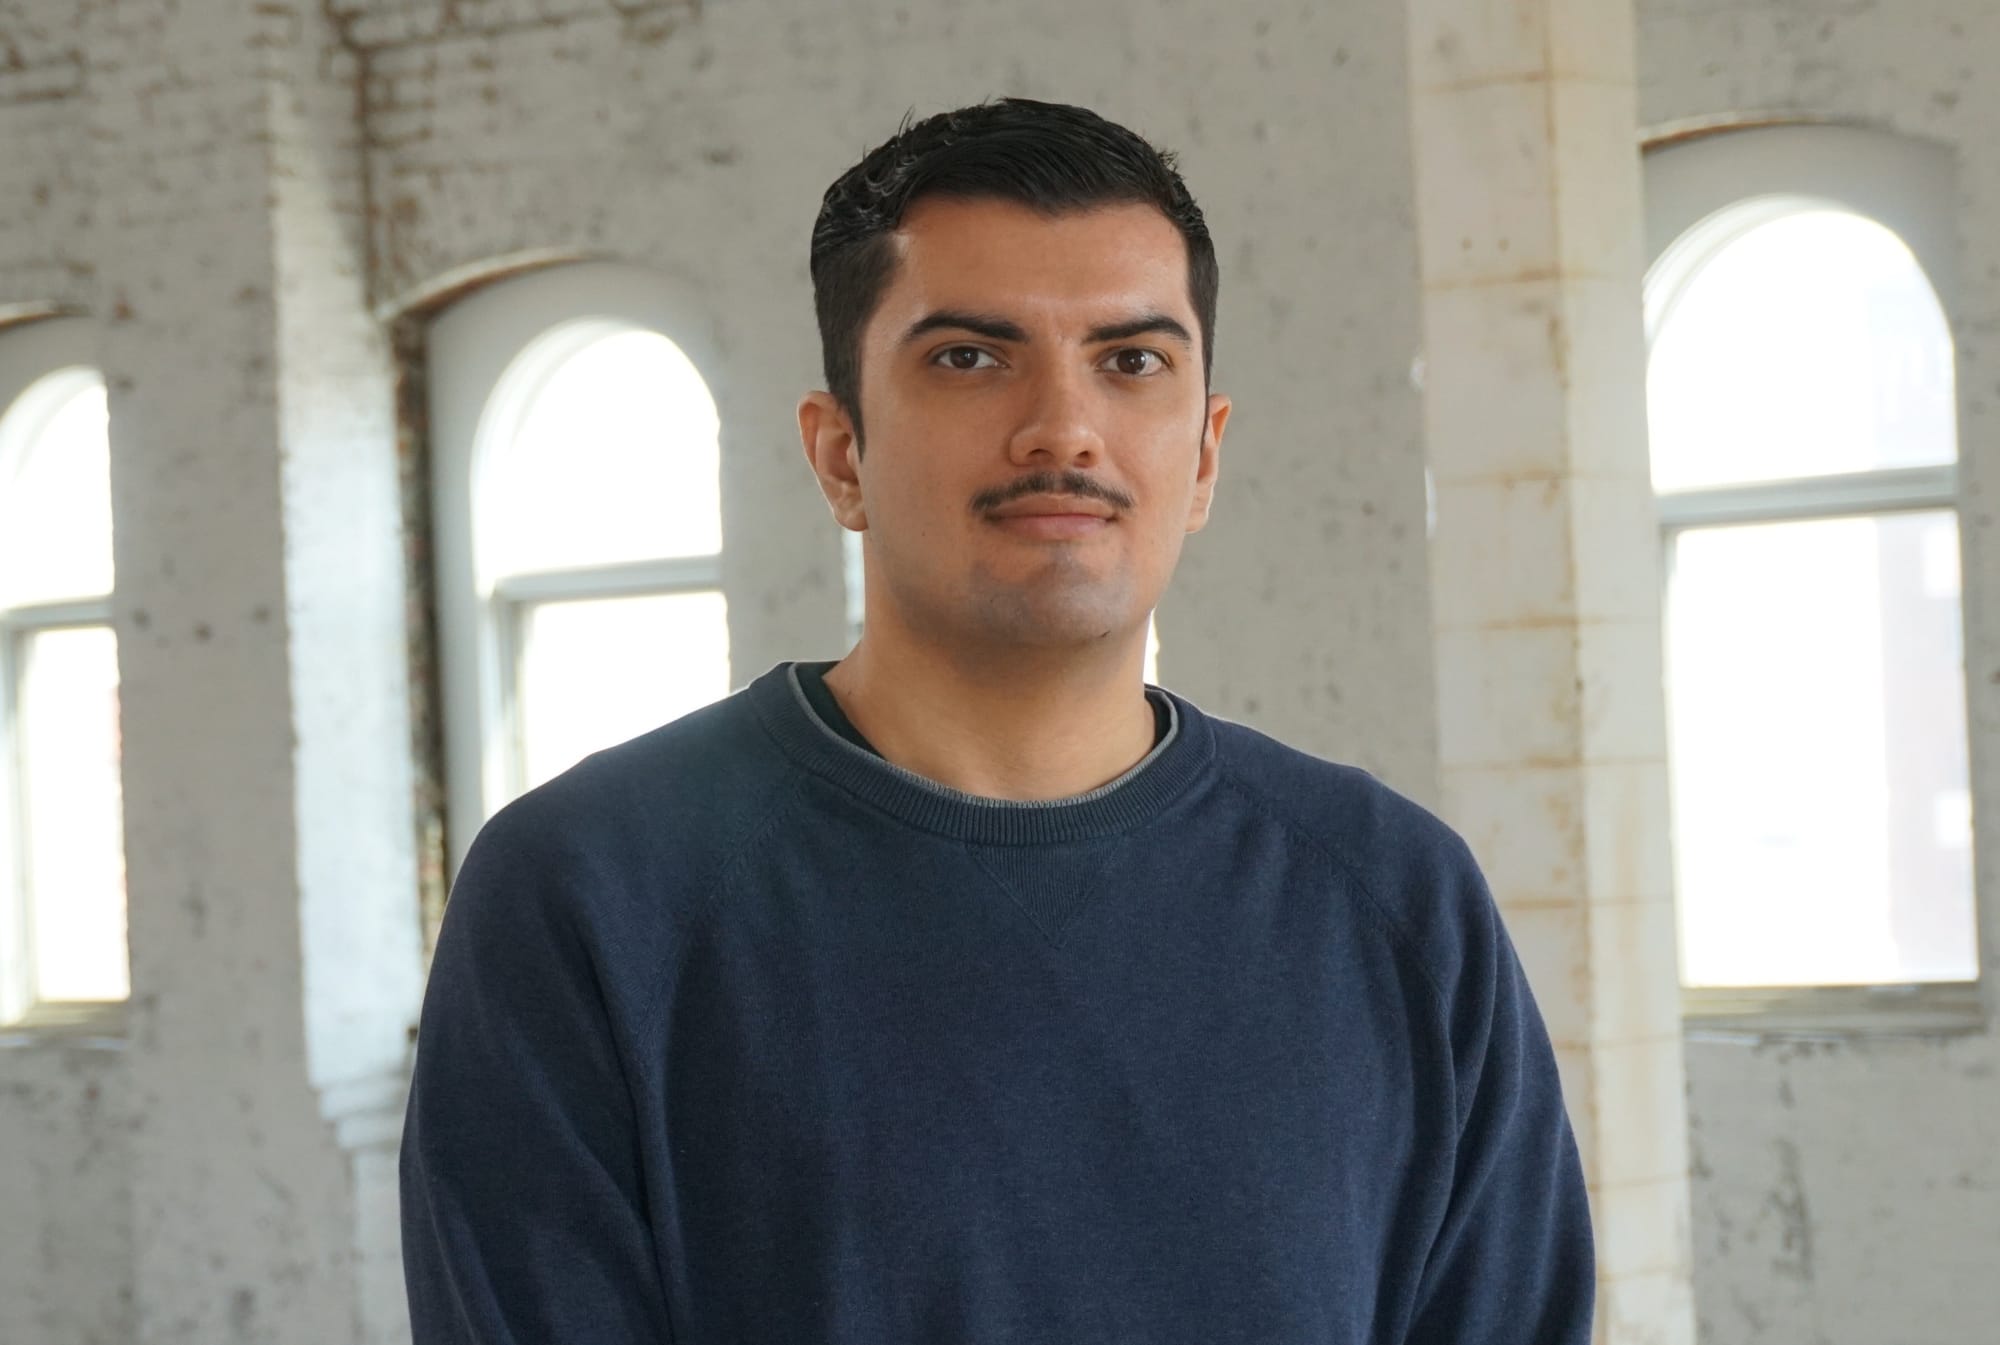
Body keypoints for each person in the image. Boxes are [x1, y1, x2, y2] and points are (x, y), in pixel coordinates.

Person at [400, 97, 1594, 1343]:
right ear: (839, 455)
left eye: (1130, 361)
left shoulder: (1394, 899)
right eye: (968, 356)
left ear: (1202, 456)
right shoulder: (589, 896)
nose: (1062, 428)